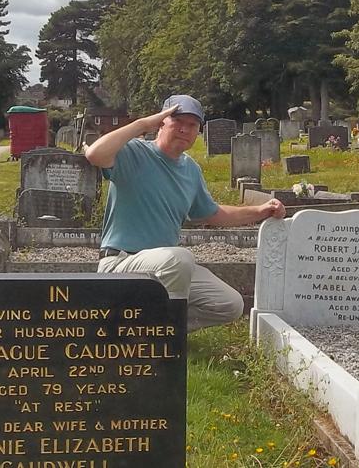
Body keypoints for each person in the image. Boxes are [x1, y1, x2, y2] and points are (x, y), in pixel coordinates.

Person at [84, 94, 285, 331]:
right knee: (180, 259)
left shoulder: (190, 169)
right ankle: (162, 341)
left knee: (230, 304)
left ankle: (141, 328)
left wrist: (262, 210)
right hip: (121, 263)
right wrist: (142, 124)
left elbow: (214, 214)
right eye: (177, 121)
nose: (184, 129)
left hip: (167, 269)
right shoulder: (134, 152)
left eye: (192, 125)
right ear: (161, 122)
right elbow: (94, 155)